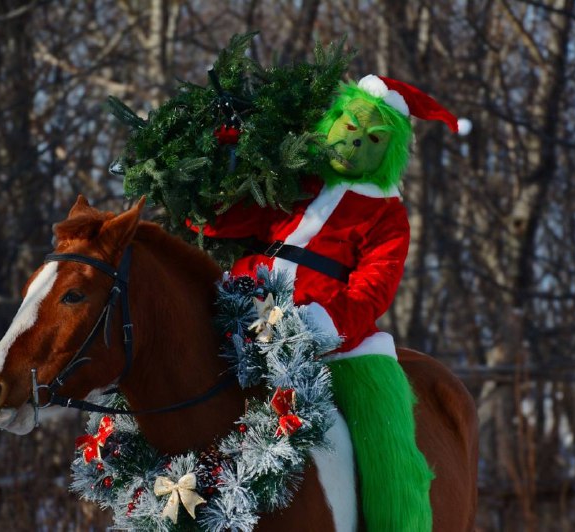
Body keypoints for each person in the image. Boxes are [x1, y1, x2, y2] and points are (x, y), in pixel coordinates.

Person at [196, 74, 464, 531]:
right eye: (350, 127)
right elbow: (224, 219)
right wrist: (226, 154)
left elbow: (373, 289)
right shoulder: (296, 182)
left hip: (329, 337)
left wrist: (318, 325)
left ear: (390, 150)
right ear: (333, 121)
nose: (355, 144)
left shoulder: (387, 214)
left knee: (385, 438)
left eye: (373, 139)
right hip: (240, 310)